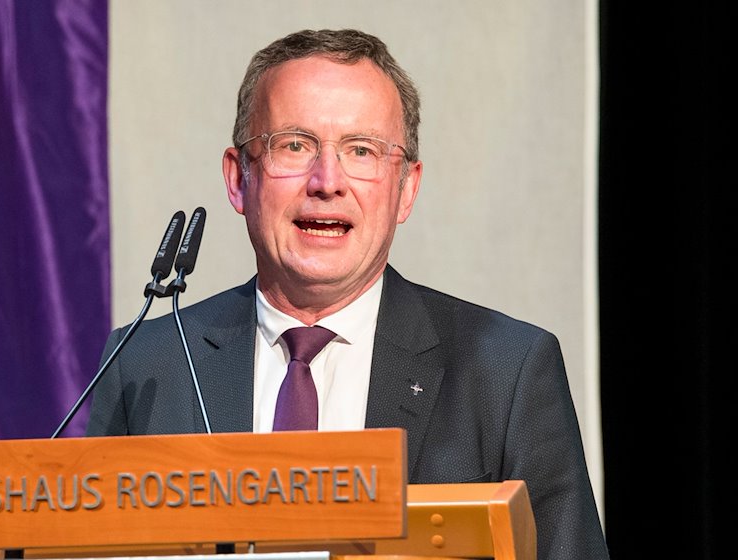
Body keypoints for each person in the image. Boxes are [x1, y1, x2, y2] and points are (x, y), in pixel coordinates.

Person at [87, 29, 609, 560]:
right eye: (294, 144)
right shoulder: (147, 364)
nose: (326, 180)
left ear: (406, 188)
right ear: (239, 179)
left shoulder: (507, 370)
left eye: (361, 150)